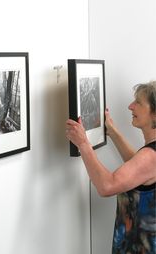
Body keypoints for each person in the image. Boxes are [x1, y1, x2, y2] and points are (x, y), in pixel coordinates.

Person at [66, 81, 156, 253]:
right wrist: (113, 133)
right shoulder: (149, 155)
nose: (131, 106)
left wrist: (83, 144)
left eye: (138, 102)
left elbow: (106, 186)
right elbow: (138, 169)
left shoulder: (150, 157)